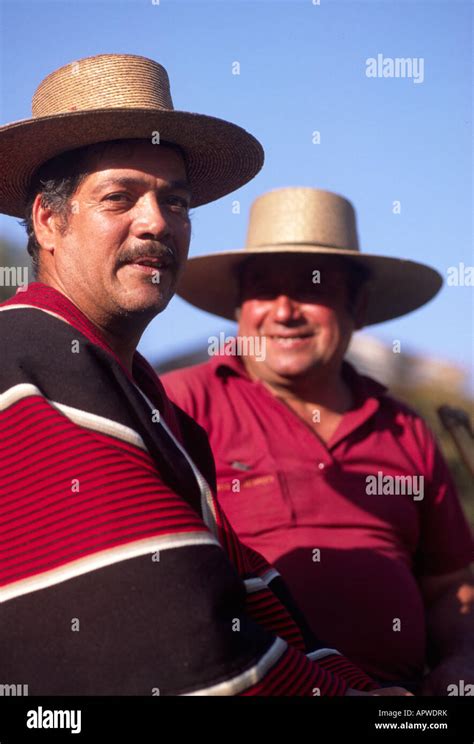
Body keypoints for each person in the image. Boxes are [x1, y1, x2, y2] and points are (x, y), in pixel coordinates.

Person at [0, 54, 400, 697]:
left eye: (175, 201)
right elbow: (174, 636)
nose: (157, 221)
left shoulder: (153, 405)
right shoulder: (25, 358)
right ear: (49, 221)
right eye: (119, 197)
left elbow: (236, 588)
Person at [163, 186, 474, 694]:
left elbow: (450, 588)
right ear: (240, 305)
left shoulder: (407, 429)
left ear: (358, 304)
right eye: (264, 287)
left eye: (311, 287)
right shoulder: (182, 405)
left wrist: (460, 666)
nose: (285, 311)